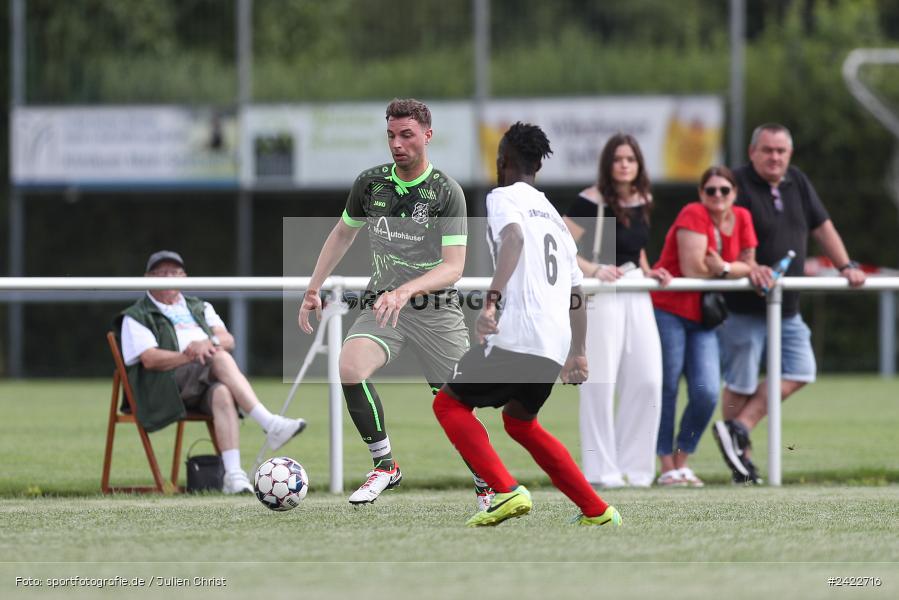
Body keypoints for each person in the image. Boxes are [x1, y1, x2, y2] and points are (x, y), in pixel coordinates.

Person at [298, 98, 492, 507]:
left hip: (435, 311)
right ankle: (385, 465)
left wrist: (406, 291)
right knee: (350, 368)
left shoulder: (447, 192)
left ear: (427, 135)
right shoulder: (370, 184)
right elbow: (343, 234)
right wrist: (314, 287)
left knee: (457, 405)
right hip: (383, 305)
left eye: (406, 135)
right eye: (391, 135)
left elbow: (453, 267)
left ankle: (487, 483)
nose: (397, 144)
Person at [433, 121, 622, 528]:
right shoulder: (554, 216)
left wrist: (491, 303)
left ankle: (505, 490)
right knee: (520, 421)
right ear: (538, 165)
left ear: (502, 160)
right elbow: (576, 291)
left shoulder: (502, 197)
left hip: (518, 333)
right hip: (553, 343)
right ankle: (597, 510)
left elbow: (514, 239)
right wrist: (578, 352)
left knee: (448, 404)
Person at [713, 123, 866, 483]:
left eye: (781, 151)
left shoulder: (797, 180)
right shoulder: (734, 183)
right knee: (741, 382)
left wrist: (846, 265)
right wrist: (749, 267)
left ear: (790, 154)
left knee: (801, 369)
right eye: (767, 150)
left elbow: (822, 226)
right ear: (752, 152)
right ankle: (742, 466)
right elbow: (722, 235)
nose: (774, 157)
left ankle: (739, 427)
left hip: (787, 306)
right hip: (744, 306)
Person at [117, 251, 307, 494]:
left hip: (203, 381)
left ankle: (233, 476)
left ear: (184, 277)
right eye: (161, 273)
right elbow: (150, 359)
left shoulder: (200, 306)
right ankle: (269, 423)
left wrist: (207, 343)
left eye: (174, 272)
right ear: (148, 277)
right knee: (219, 357)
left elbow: (228, 339)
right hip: (164, 388)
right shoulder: (136, 315)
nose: (168, 277)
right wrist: (191, 354)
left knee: (222, 392)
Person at [563, 133, 670, 489]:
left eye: (630, 159)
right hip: (603, 292)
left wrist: (651, 270)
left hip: (637, 288)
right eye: (618, 159)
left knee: (648, 379)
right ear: (608, 164)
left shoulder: (643, 199)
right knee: (599, 382)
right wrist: (595, 270)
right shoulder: (589, 200)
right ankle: (601, 471)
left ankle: (637, 470)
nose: (624, 165)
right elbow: (560, 245)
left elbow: (636, 250)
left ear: (639, 164)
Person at [650, 167, 758, 486]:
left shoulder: (742, 217)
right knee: (668, 386)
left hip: (704, 316)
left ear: (734, 193)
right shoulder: (693, 212)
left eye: (725, 190)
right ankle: (666, 465)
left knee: (708, 391)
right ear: (701, 193)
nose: (718, 196)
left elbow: (750, 265)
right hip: (669, 308)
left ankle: (682, 460)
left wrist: (722, 267)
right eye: (711, 190)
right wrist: (731, 270)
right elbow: (692, 269)